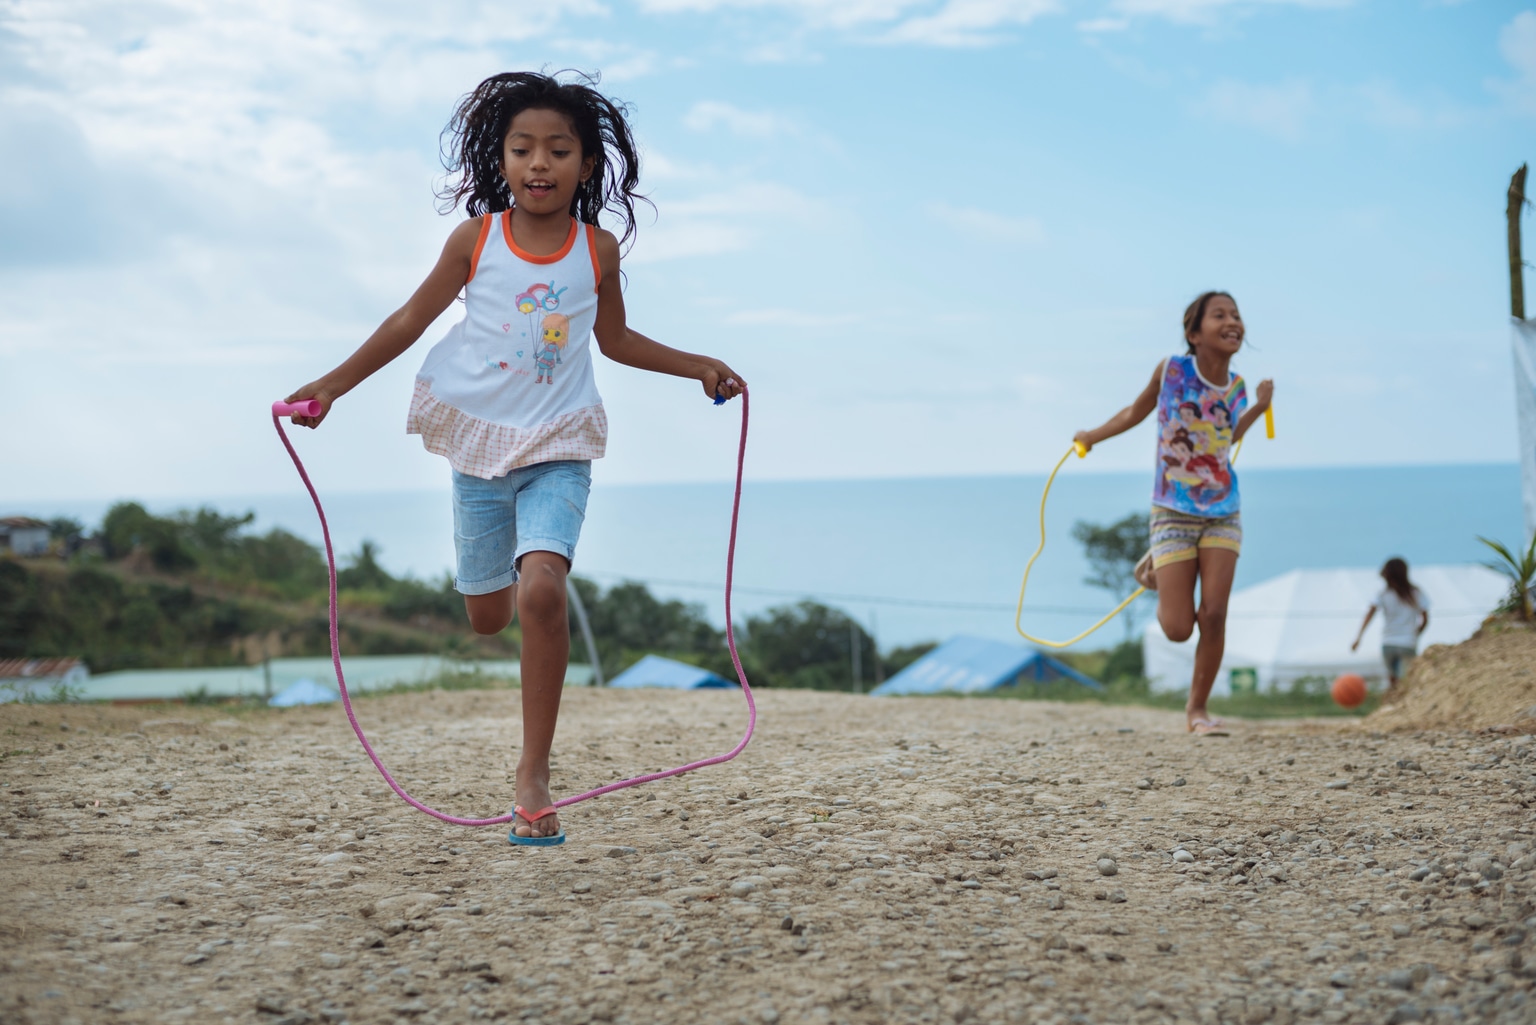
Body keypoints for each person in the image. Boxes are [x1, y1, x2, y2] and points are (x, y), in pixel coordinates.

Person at [283, 72, 745, 846]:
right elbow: (409, 319)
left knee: (542, 590)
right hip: (480, 447)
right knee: (488, 617)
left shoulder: (597, 249)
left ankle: (533, 777)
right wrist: (333, 385)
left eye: (558, 150)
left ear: (587, 164)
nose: (539, 162)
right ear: (501, 158)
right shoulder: (477, 238)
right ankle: (492, 586)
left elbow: (615, 340)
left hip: (560, 445)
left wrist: (699, 362)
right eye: (523, 147)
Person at [1073, 292, 1274, 735]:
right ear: (1193, 332)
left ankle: (1197, 710)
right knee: (1179, 629)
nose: (1233, 321)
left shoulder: (1237, 387)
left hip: (1224, 509)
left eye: (1236, 315)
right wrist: (1092, 436)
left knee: (1215, 615)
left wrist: (1257, 407)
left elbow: (1228, 432)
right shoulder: (1172, 371)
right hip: (1171, 511)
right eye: (1219, 315)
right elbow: (1135, 411)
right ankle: (1155, 571)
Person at [1350, 557, 1430, 691]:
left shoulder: (1383, 594)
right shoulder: (1416, 593)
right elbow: (1425, 618)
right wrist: (1417, 632)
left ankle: (1394, 705)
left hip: (1388, 643)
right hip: (1408, 642)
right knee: (1406, 681)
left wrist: (1358, 638)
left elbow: (1369, 615)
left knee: (1393, 681)